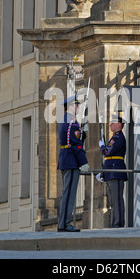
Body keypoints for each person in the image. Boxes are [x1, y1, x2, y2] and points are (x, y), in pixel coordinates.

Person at [57, 96, 89, 232]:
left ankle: (62, 223)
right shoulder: (72, 123)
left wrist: (82, 133)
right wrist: (84, 162)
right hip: (71, 161)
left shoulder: (66, 120)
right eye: (76, 105)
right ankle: (65, 224)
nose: (78, 108)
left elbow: (74, 139)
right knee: (69, 194)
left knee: (67, 193)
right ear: (71, 106)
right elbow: (76, 145)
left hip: (65, 160)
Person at [97, 115, 127, 228]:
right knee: (113, 201)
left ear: (119, 124)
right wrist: (103, 172)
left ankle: (118, 223)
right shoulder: (113, 138)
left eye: (112, 123)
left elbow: (108, 152)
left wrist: (102, 147)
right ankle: (114, 223)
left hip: (116, 171)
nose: (110, 125)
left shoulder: (118, 138)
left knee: (117, 199)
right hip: (110, 171)